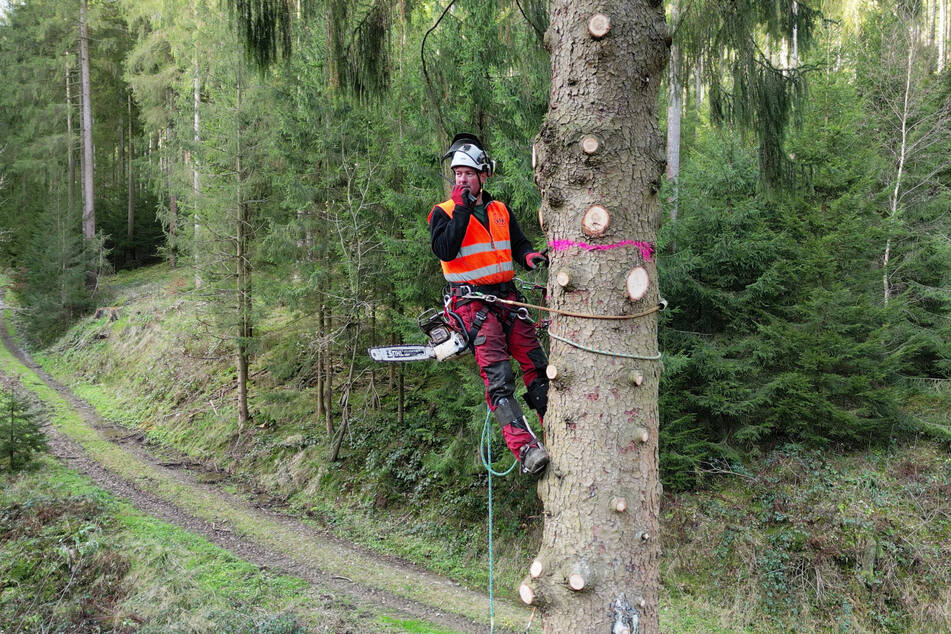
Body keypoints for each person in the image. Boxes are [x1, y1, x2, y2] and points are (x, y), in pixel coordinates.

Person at [427, 133, 551, 475]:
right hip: (472, 305)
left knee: (537, 366)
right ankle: (526, 449)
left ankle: (554, 426)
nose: (462, 179)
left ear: (484, 175)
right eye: (458, 174)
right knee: (499, 380)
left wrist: (529, 257)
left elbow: (519, 243)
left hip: (507, 298)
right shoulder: (444, 213)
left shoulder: (499, 210)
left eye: (468, 173)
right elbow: (445, 250)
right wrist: (463, 210)